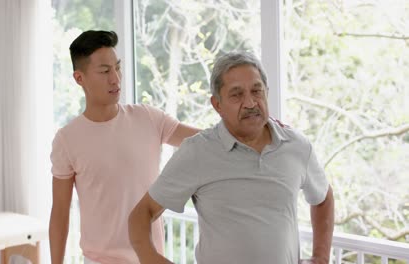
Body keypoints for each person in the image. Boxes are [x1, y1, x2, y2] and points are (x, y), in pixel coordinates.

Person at [128, 51, 335, 264]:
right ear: (217, 104)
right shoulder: (197, 151)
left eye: (257, 91)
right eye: (237, 94)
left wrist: (320, 257)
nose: (250, 103)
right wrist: (152, 259)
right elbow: (141, 215)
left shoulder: (296, 146)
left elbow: (323, 197)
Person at [48, 30, 199, 264]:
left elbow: (203, 142)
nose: (115, 78)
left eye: (117, 67)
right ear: (79, 78)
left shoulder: (148, 118)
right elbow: (59, 215)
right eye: (105, 71)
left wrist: (256, 127)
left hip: (151, 258)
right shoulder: (67, 140)